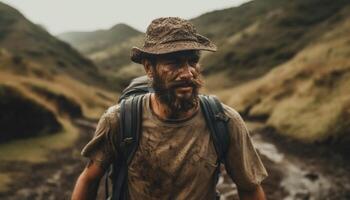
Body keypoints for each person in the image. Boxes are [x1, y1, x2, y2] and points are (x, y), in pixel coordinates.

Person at [71, 17, 268, 200]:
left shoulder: (224, 120)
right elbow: (89, 179)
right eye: (173, 62)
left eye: (192, 61)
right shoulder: (119, 120)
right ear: (149, 68)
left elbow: (250, 188)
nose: (187, 73)